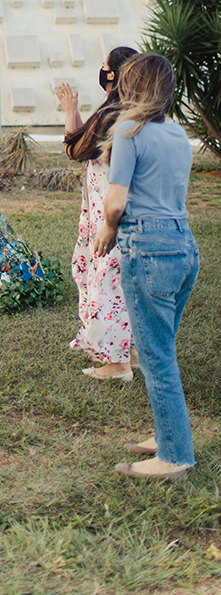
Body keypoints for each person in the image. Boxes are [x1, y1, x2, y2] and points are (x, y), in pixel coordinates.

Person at [94, 53, 198, 480]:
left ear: (131, 86)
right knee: (161, 351)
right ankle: (168, 435)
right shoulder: (177, 132)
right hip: (183, 246)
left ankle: (174, 456)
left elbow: (116, 202)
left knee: (155, 357)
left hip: (148, 249)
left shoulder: (128, 131)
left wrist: (107, 229)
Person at [56, 46, 137, 381]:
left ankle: (117, 364)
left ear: (113, 74)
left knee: (107, 280)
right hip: (116, 206)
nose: (101, 70)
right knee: (121, 280)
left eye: (104, 65)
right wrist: (75, 112)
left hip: (108, 210)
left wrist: (67, 111)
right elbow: (85, 144)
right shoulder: (130, 108)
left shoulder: (112, 112)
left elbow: (74, 149)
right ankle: (130, 351)